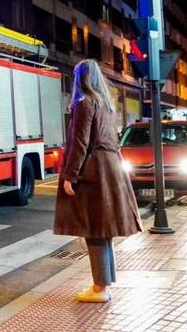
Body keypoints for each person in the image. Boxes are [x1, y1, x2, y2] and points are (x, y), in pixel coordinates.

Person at [53, 59, 143, 303]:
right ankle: (103, 284)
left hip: (94, 171)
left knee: (93, 230)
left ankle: (100, 288)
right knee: (103, 230)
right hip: (111, 167)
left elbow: (80, 143)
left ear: (80, 78)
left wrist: (70, 176)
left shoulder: (84, 103)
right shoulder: (106, 105)